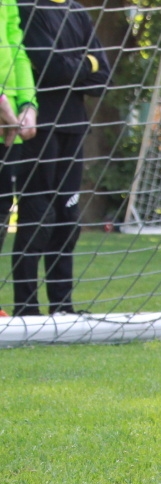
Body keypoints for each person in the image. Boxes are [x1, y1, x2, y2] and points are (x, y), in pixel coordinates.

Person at [10, 0, 108, 317]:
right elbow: (51, 68)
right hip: (39, 129)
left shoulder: (77, 12)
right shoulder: (28, 7)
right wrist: (87, 63)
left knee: (68, 221)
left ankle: (62, 306)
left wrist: (76, 66)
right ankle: (26, 307)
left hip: (74, 128)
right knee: (37, 219)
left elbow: (104, 76)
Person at [0, 0, 37, 303]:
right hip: (3, 113)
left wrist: (28, 104)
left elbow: (17, 46)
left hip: (8, 124)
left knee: (2, 213)